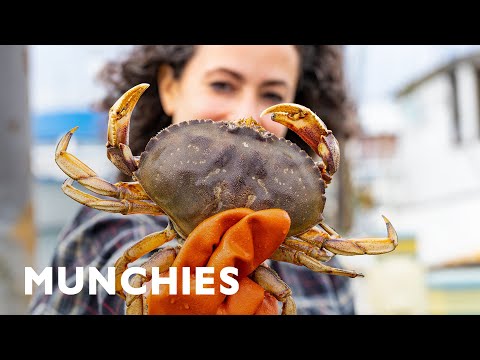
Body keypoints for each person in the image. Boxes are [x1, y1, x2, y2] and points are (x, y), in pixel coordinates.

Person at [29, 45, 360, 315]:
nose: (243, 111)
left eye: (272, 94)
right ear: (169, 88)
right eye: (222, 85)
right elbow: (116, 263)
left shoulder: (321, 270)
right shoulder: (107, 229)